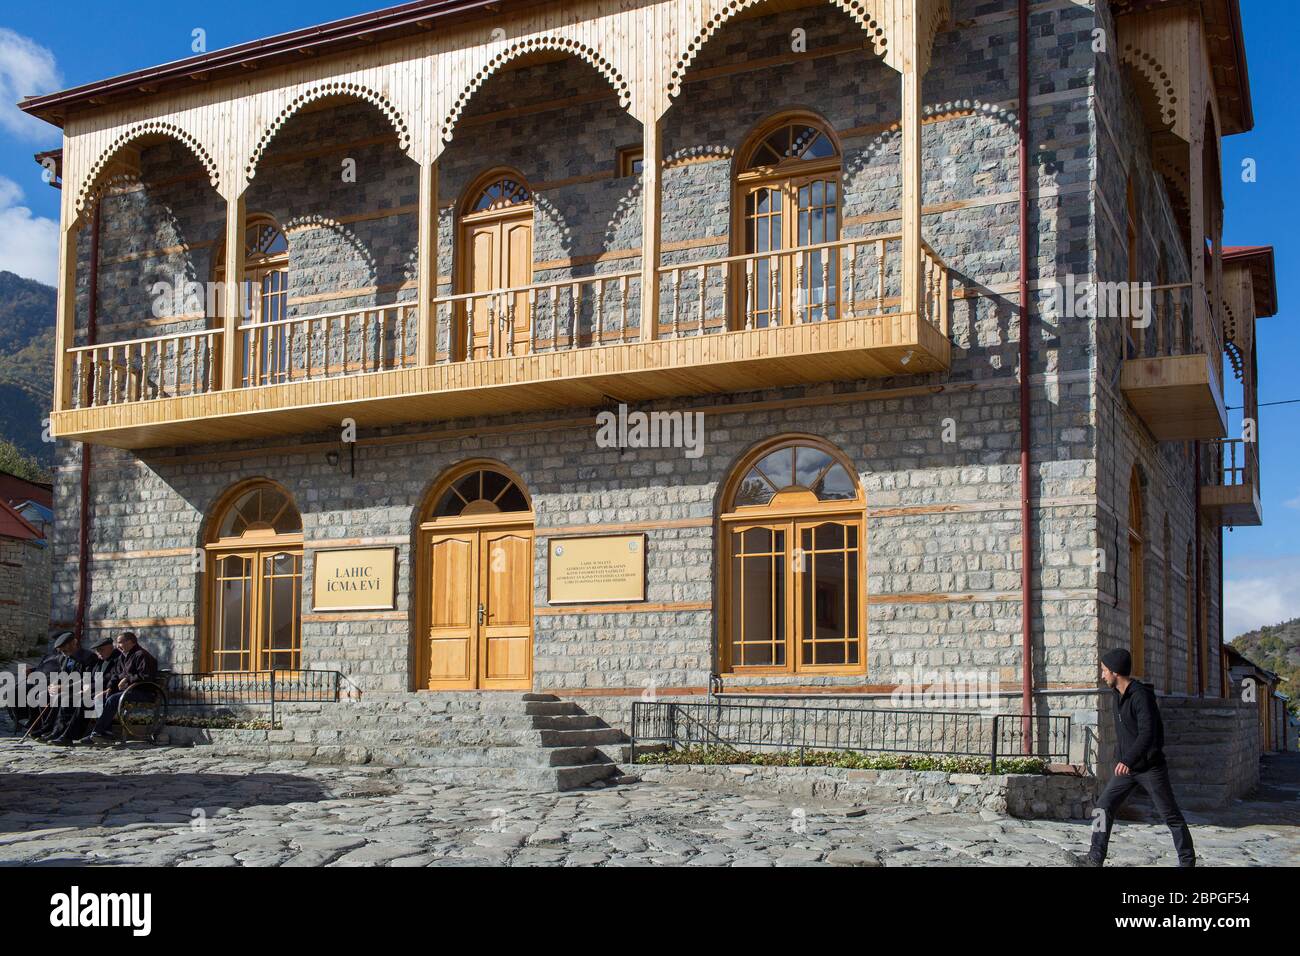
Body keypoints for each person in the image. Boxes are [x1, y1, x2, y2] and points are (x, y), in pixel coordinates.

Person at [1065, 648, 1196, 867]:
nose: (1102, 675)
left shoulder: (1141, 697)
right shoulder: (1117, 695)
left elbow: (1148, 733)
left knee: (1170, 815)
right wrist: (1121, 757)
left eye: (1104, 670)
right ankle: (1094, 858)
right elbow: (1127, 732)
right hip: (1127, 769)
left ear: (1116, 672)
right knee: (1103, 806)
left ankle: (1187, 862)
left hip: (1149, 767)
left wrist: (1127, 760)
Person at [76, 632, 158, 746]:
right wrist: (110, 687)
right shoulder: (122, 657)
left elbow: (145, 676)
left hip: (143, 692)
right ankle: (106, 732)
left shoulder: (141, 655)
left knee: (112, 699)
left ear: (130, 642)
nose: (117, 645)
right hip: (128, 691)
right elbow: (115, 675)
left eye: (120, 642)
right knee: (101, 698)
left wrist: (127, 679)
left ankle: (97, 731)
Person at [48, 636, 122, 746]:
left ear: (111, 648)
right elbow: (91, 679)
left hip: (109, 692)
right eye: (97, 650)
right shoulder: (100, 662)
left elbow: (115, 679)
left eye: (101, 649)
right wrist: (85, 688)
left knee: (84, 702)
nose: (99, 653)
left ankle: (69, 736)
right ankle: (59, 732)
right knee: (68, 699)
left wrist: (105, 690)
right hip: (94, 691)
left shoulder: (117, 660)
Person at [29, 631, 97, 741]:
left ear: (74, 643)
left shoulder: (89, 657)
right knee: (42, 696)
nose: (63, 652)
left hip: (81, 689)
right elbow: (61, 674)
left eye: (65, 649)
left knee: (61, 698)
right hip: (66, 689)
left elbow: (87, 680)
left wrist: (63, 688)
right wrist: (53, 685)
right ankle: (48, 728)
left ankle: (56, 730)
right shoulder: (65, 658)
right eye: (61, 650)